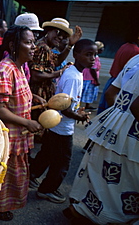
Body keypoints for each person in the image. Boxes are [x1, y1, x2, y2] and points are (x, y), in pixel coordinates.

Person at [65, 56, 139, 224]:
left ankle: (85, 211)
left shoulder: (135, 59)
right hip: (133, 136)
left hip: (112, 126)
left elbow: (110, 93)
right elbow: (136, 107)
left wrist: (118, 117)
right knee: (125, 185)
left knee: (99, 176)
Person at [0, 25, 44, 221]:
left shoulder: (17, 68)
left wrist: (33, 97)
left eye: (33, 42)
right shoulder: (4, 69)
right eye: (28, 42)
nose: (33, 46)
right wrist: (27, 123)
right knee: (3, 176)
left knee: (10, 175)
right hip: (6, 138)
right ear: (13, 45)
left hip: (16, 137)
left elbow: (13, 95)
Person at [29, 39, 94, 204]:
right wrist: (78, 116)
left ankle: (30, 176)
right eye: (88, 54)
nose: (93, 58)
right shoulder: (73, 77)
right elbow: (64, 108)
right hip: (62, 127)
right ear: (76, 54)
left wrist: (77, 111)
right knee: (62, 162)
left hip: (57, 125)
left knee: (47, 154)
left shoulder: (75, 73)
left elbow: (68, 103)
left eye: (95, 55)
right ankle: (47, 190)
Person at [29, 17, 83, 103]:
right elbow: (35, 76)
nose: (60, 37)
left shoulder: (47, 47)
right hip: (37, 96)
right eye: (58, 33)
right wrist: (59, 73)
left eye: (64, 36)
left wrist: (69, 45)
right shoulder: (43, 48)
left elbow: (56, 62)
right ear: (49, 31)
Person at [97, 38, 139, 113]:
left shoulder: (124, 46)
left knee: (102, 108)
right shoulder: (136, 52)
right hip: (121, 83)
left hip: (113, 80)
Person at [14, 13, 44, 83]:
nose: (36, 36)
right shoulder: (9, 65)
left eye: (37, 32)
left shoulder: (22, 60)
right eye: (33, 32)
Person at [81, 41, 103, 111]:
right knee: (87, 91)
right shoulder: (94, 58)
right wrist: (96, 80)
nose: (103, 50)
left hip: (89, 76)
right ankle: (84, 105)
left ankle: (88, 105)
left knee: (87, 91)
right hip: (89, 77)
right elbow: (92, 69)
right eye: (102, 48)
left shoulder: (96, 57)